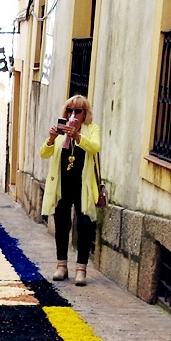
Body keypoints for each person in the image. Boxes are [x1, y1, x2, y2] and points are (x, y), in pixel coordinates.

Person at [40, 95, 102, 287]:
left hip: (83, 186)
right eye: (69, 110)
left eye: (78, 111)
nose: (73, 114)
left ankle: (81, 269)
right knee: (62, 225)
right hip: (62, 185)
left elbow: (95, 147)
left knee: (84, 226)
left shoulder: (91, 130)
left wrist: (77, 137)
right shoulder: (60, 131)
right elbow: (44, 153)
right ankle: (62, 266)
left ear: (85, 114)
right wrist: (51, 139)